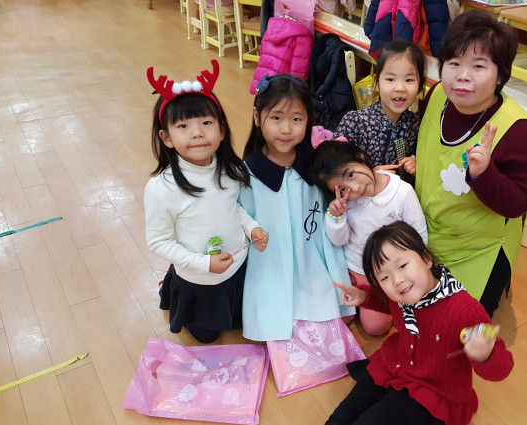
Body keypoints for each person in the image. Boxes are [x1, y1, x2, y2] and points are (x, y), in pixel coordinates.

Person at [415, 11, 527, 317]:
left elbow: (520, 202)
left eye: (478, 66)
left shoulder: (519, 129)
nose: (462, 75)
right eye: (453, 63)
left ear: (500, 76)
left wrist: (484, 175)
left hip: (478, 250)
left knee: (458, 324)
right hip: (423, 232)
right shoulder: (436, 96)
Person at [329, 221, 513, 425]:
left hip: (434, 389)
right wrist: (363, 296)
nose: (397, 280)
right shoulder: (400, 296)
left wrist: (485, 355)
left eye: (402, 266)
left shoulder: (466, 311)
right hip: (396, 363)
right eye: (384, 277)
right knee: (340, 417)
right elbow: (388, 304)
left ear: (426, 259)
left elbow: (502, 368)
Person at [144, 60, 269, 344]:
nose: (197, 132)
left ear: (222, 131)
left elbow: (234, 208)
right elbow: (159, 242)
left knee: (239, 322)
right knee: (207, 337)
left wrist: (252, 228)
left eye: (206, 123)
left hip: (236, 266)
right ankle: (174, 286)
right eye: (183, 125)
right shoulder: (162, 188)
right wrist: (203, 263)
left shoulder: (229, 169)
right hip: (199, 278)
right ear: (166, 137)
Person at [238, 73, 355, 342]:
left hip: (312, 255)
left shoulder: (314, 166)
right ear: (257, 117)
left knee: (334, 314)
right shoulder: (248, 173)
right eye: (276, 118)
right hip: (270, 258)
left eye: (297, 119)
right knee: (273, 320)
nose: (286, 129)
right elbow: (239, 213)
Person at [310, 140, 427, 335]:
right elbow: (339, 240)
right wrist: (336, 217)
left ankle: (384, 302)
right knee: (334, 313)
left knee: (375, 327)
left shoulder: (401, 191)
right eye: (342, 189)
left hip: (388, 272)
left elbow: (419, 234)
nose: (355, 188)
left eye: (350, 174)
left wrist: (409, 269)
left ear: (360, 157)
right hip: (355, 268)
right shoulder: (346, 203)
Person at [333, 39, 426, 183]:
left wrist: (415, 166)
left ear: (419, 86)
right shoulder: (354, 122)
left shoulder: (416, 126)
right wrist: (369, 174)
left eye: (409, 80)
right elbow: (332, 169)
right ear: (376, 83)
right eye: (390, 79)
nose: (400, 88)